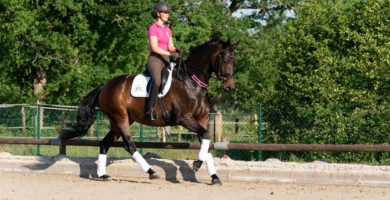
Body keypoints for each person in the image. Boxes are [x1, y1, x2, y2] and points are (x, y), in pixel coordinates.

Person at [145, 2, 181, 120]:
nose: (167, 15)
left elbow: (170, 46)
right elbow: (154, 47)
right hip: (155, 59)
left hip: (166, 60)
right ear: (158, 14)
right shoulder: (153, 28)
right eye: (165, 12)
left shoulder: (168, 30)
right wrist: (170, 53)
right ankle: (149, 109)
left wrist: (176, 50)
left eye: (168, 13)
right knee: (157, 81)